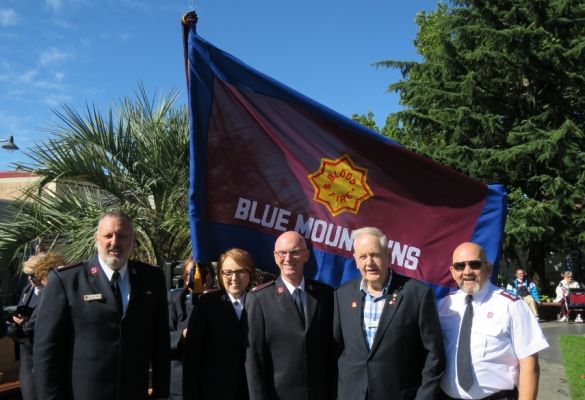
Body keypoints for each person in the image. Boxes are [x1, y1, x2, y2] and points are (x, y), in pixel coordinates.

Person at [33, 211, 170, 400]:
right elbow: (46, 351)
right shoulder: (67, 281)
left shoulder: (151, 278)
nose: (115, 242)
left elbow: (160, 341)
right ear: (96, 239)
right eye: (108, 236)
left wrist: (161, 392)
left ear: (133, 240)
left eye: (122, 236)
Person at [333, 227, 445, 400]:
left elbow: (434, 355)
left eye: (375, 255)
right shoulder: (342, 295)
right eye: (362, 257)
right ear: (355, 260)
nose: (369, 263)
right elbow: (336, 350)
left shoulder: (417, 294)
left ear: (388, 255)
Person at [438, 242, 549, 400]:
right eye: (460, 266)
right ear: (452, 271)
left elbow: (529, 365)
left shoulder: (512, 306)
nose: (467, 271)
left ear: (488, 268)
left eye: (475, 264)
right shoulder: (443, 306)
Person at [246, 231, 335, 400]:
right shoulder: (259, 300)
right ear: (275, 256)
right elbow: (254, 360)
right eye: (282, 253)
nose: (288, 258)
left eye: (295, 252)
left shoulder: (325, 294)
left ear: (306, 255)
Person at [183, 248, 255, 400]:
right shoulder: (207, 305)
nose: (234, 278)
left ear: (250, 273)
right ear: (220, 275)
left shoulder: (261, 303)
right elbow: (192, 359)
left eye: (240, 271)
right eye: (228, 272)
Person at [8, 252, 66, 400]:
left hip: (46, 354)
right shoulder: (28, 290)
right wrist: (15, 322)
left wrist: (26, 325)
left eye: (34, 274)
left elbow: (47, 320)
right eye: (28, 274)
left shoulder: (53, 290)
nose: (30, 278)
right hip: (27, 354)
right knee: (29, 393)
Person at [168, 257, 197, 400]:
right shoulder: (175, 300)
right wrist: (182, 336)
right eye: (193, 272)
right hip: (181, 382)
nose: (198, 276)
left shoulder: (220, 302)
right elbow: (161, 337)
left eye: (204, 272)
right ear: (186, 278)